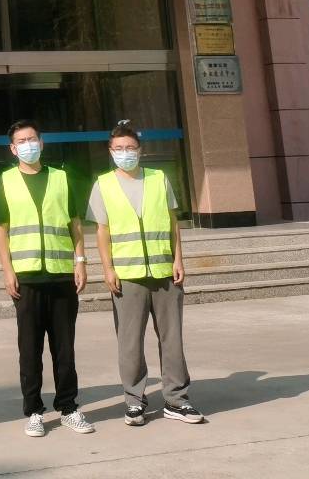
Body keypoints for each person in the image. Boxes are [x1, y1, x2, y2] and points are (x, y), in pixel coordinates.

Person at [89, 121, 205, 427]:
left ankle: (176, 399)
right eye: (119, 148)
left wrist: (178, 259)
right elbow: (102, 231)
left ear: (140, 150)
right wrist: (107, 268)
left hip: (165, 272)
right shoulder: (103, 184)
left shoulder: (158, 178)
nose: (125, 153)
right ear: (110, 151)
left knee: (172, 338)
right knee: (129, 342)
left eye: (130, 147)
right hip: (127, 275)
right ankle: (134, 401)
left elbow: (172, 222)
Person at [0, 120, 93, 437]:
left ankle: (69, 407)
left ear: (42, 143)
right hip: (27, 277)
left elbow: (75, 223)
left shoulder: (61, 178)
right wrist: (8, 270)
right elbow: (1, 229)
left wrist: (80, 261)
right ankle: (34, 411)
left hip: (61, 275)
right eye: (21, 141)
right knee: (30, 349)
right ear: (13, 149)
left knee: (64, 348)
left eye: (32, 139)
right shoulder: (6, 181)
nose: (28, 145)